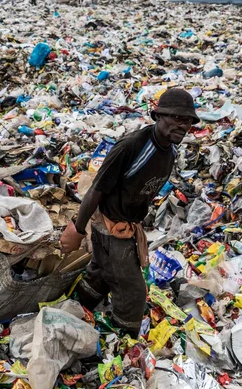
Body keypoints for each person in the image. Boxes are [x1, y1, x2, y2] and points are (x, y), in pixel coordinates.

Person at [60, 89, 199, 337]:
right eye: (176, 118)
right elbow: (96, 190)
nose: (182, 125)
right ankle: (124, 344)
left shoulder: (169, 151)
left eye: (187, 120)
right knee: (133, 293)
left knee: (102, 272)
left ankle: (76, 309)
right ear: (159, 116)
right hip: (110, 227)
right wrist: (78, 229)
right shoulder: (132, 146)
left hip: (127, 225)